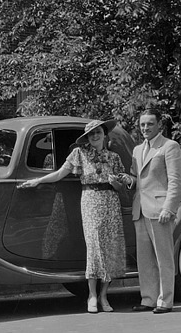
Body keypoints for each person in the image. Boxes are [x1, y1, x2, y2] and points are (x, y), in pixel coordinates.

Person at [20, 120, 126, 313]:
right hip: (91, 201)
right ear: (87, 137)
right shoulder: (79, 153)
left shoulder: (114, 157)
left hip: (111, 202)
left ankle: (104, 295)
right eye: (91, 134)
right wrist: (38, 180)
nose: (95, 136)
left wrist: (115, 182)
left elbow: (121, 186)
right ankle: (92, 295)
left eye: (98, 132)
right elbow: (60, 173)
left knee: (110, 247)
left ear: (104, 134)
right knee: (94, 247)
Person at [118, 108, 181, 314]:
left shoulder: (169, 147)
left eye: (149, 124)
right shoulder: (138, 150)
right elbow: (138, 179)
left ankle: (165, 301)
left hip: (160, 211)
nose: (145, 128)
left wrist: (169, 207)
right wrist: (129, 180)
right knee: (145, 259)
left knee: (163, 258)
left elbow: (176, 181)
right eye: (142, 125)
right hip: (140, 210)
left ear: (159, 126)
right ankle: (148, 298)